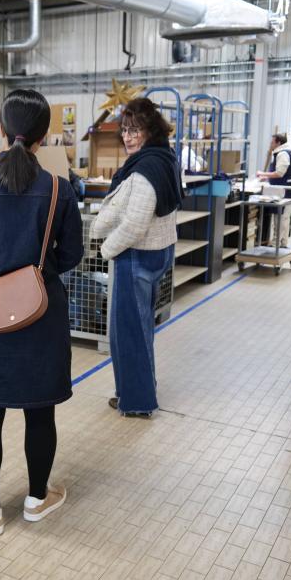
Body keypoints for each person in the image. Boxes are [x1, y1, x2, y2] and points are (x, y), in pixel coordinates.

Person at [0, 89, 83, 537]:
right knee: (39, 411)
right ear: (44, 136)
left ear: (2, 131)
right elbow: (74, 253)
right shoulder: (60, 189)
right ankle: (36, 500)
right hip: (42, 314)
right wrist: (35, 276)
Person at [92, 98, 181, 417]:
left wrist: (105, 249)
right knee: (140, 329)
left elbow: (133, 225)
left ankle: (137, 401)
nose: (128, 137)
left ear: (150, 131)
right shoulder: (165, 158)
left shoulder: (144, 170)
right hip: (159, 252)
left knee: (128, 332)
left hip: (137, 257)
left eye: (136, 130)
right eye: (125, 131)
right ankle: (138, 388)